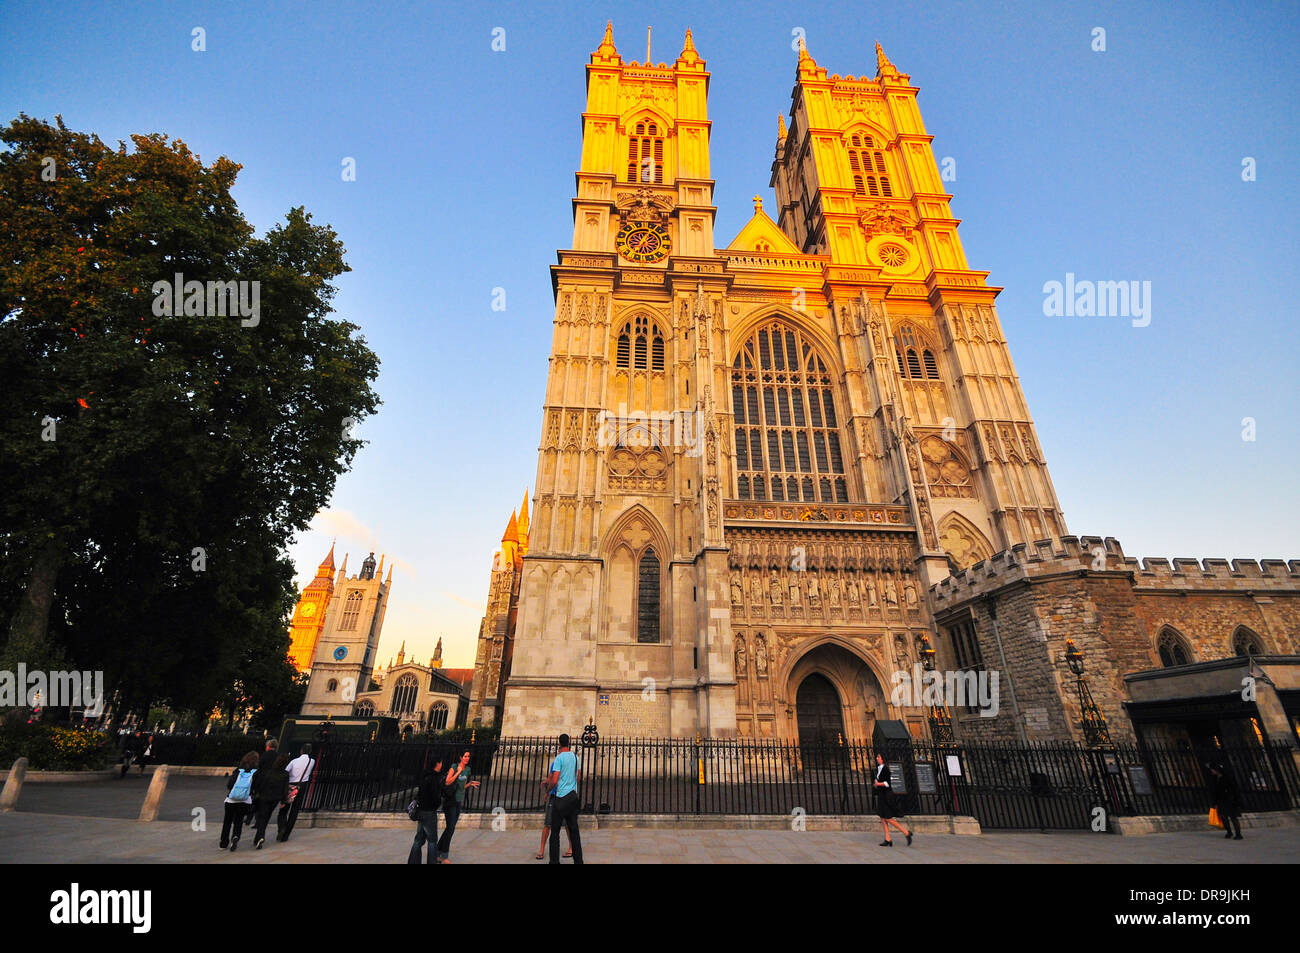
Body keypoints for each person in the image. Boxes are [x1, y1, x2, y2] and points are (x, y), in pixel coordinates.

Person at [435, 750, 480, 863]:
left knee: (450, 829)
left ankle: (436, 851)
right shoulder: (454, 767)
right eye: (465, 756)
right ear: (460, 757)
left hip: (458, 801)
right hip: (450, 801)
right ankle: (443, 856)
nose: (467, 758)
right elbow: (447, 782)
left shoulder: (468, 769)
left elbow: (461, 786)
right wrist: (457, 773)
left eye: (468, 756)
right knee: (450, 829)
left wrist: (469, 784)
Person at [545, 734, 583, 864]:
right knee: (574, 832)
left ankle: (554, 862)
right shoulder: (576, 757)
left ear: (559, 744)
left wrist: (548, 790)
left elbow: (554, 780)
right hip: (573, 797)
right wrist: (571, 783)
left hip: (561, 798)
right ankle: (578, 861)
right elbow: (578, 777)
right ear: (569, 743)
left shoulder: (559, 758)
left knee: (555, 833)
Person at [408, 756, 446, 864]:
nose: (441, 765)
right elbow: (434, 796)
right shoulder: (434, 778)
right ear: (437, 764)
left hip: (421, 810)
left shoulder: (425, 776)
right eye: (441, 763)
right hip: (429, 812)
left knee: (419, 839)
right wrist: (438, 802)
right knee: (432, 840)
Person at [220, 751, 259, 851]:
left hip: (231, 800)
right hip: (245, 801)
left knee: (227, 822)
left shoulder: (238, 770)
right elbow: (255, 788)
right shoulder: (255, 773)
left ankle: (223, 843)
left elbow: (229, 785)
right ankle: (235, 836)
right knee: (238, 821)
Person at [873, 753, 913, 847]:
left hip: (886, 795)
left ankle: (906, 832)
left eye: (879, 757)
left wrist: (878, 784)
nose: (877, 758)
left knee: (888, 818)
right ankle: (888, 839)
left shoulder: (886, 769)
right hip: (881, 795)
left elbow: (888, 783)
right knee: (882, 818)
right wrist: (876, 784)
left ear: (883, 759)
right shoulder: (879, 769)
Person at [251, 754, 291, 849]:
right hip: (275, 799)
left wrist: (257, 792)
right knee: (266, 817)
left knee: (262, 817)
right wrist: (284, 801)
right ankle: (258, 838)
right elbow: (285, 789)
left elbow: (262, 784)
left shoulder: (269, 772)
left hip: (264, 797)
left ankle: (260, 836)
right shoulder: (285, 774)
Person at [278, 743, 315, 842]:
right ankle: (286, 834)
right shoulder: (312, 761)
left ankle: (282, 827)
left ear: (301, 751)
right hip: (302, 786)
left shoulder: (294, 761)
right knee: (294, 810)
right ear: (310, 752)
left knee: (284, 808)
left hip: (291, 785)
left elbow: (286, 771)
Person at [536, 778, 572, 861]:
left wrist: (547, 791)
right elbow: (553, 777)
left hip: (557, 795)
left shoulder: (559, 764)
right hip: (564, 794)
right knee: (565, 824)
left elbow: (555, 780)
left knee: (548, 824)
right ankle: (571, 848)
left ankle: (542, 850)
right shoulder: (556, 765)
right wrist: (548, 780)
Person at [1208, 762, 1243, 840]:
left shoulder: (1226, 778)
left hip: (1229, 800)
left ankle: (1238, 833)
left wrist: (1236, 799)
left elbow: (1234, 789)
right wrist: (1215, 802)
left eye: (1213, 770)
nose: (1212, 771)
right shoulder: (1215, 778)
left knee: (1233, 817)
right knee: (1223, 817)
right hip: (1221, 800)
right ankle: (1229, 831)